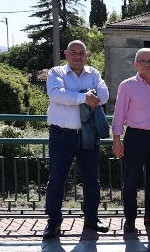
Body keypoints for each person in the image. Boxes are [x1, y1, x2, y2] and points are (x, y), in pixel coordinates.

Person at [43, 40, 110, 239]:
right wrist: (84, 98)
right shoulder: (56, 73)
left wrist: (81, 97)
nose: (77, 56)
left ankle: (91, 219)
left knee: (92, 180)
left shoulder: (94, 73)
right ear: (66, 54)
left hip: (89, 134)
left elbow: (104, 95)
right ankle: (53, 223)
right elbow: (56, 95)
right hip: (62, 134)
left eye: (81, 52)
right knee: (56, 180)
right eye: (73, 52)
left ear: (86, 55)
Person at [111, 48, 150, 234]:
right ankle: (130, 220)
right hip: (136, 137)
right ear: (136, 64)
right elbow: (119, 114)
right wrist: (117, 140)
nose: (146, 64)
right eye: (142, 61)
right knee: (130, 181)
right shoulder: (127, 85)